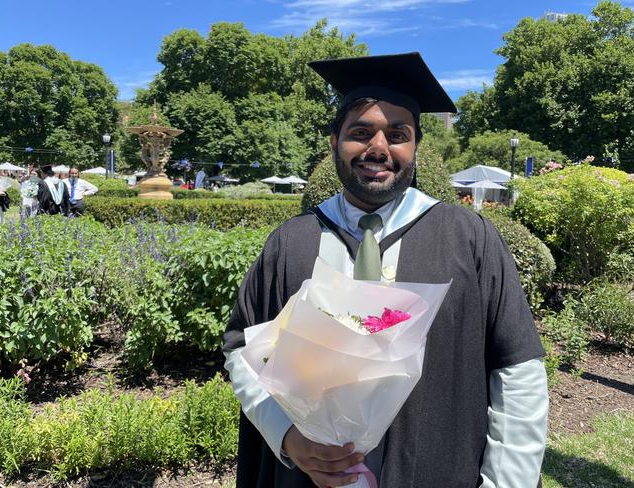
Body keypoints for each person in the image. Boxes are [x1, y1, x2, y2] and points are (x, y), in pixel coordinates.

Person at [223, 52, 549, 488]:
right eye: (361, 132)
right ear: (334, 141)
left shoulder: (469, 239)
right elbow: (241, 349)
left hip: (438, 470)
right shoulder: (290, 243)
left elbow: (517, 370)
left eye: (398, 134)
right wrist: (287, 437)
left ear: (415, 148)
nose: (379, 147)